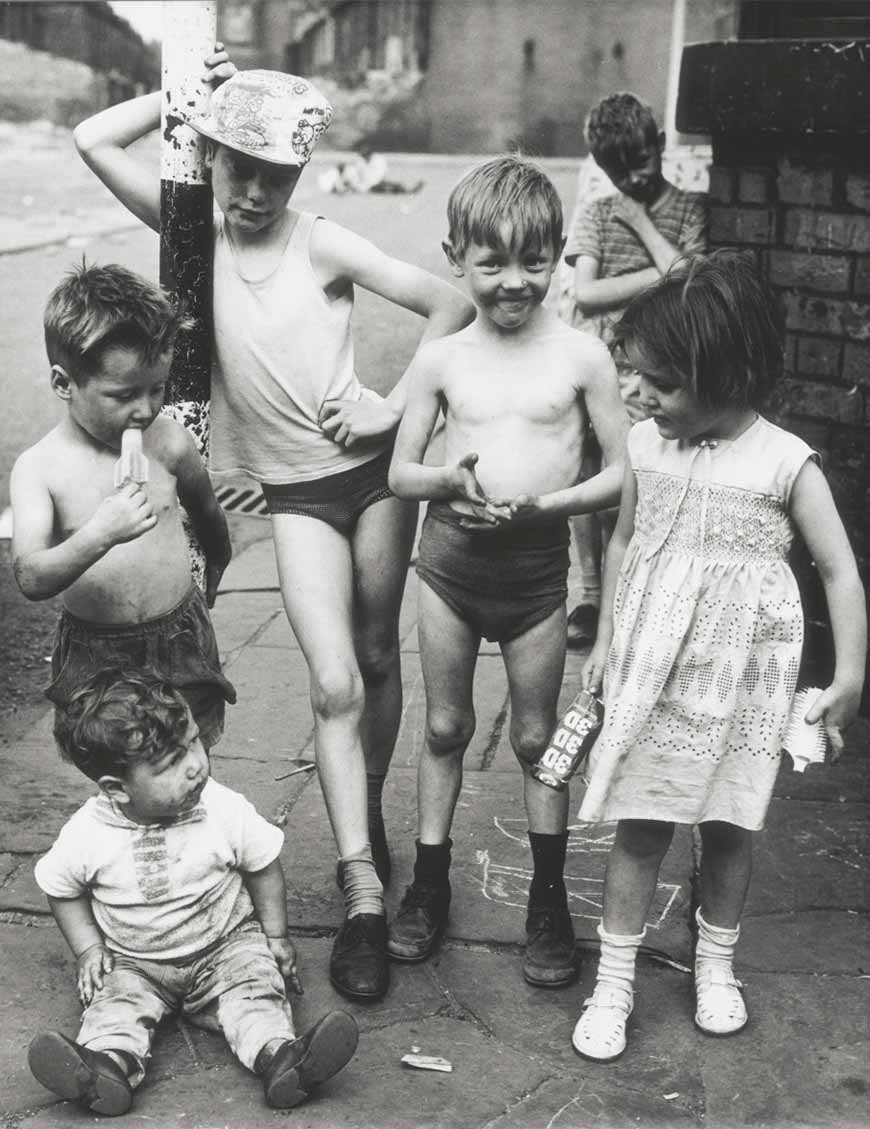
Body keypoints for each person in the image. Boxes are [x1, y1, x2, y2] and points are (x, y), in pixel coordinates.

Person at [72, 55, 474, 1003]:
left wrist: (391, 408)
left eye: (273, 174)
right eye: (235, 165)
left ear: (301, 175)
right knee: (332, 681)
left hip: (375, 481)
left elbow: (449, 303)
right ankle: (365, 894)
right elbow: (94, 140)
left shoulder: (322, 242)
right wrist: (182, 91)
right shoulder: (190, 238)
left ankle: (365, 813)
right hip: (296, 498)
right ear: (208, 157)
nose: (252, 191)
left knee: (378, 659)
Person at [571, 251, 866, 1062]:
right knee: (643, 820)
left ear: (725, 374)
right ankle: (616, 977)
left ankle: (716, 963)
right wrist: (602, 641)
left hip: (742, 680)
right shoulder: (647, 446)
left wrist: (849, 677)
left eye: (660, 384)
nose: (642, 396)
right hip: (656, 669)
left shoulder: (783, 462)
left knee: (730, 824)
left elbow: (840, 568)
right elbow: (626, 537)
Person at [387, 156, 629, 987]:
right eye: (491, 263)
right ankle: (427, 883)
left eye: (533, 261)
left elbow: (621, 474)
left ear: (560, 252)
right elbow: (400, 472)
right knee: (446, 727)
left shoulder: (583, 357)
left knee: (535, 740)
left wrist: (550, 508)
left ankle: (549, 901)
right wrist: (448, 483)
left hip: (534, 574)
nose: (514, 282)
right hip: (450, 563)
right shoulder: (443, 360)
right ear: (456, 257)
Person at [27, 668, 358, 1115]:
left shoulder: (220, 807)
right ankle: (105, 1069)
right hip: (135, 960)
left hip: (225, 946)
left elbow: (262, 865)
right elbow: (60, 888)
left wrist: (275, 937)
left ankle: (282, 1058)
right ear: (116, 789)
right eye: (169, 764)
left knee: (255, 988)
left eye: (194, 742)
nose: (195, 765)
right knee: (114, 1004)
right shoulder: (87, 834)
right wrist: (88, 949)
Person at [10, 263, 236, 749]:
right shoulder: (40, 468)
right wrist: (100, 534)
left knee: (191, 757)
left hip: (179, 632)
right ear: (63, 382)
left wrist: (219, 558)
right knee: (121, 770)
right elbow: (31, 576)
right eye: (123, 394)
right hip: (97, 649)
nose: (145, 409)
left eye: (157, 388)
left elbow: (206, 508)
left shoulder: (170, 443)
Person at [561, 92, 708, 651]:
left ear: (661, 145)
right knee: (591, 478)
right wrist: (667, 270)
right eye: (615, 170)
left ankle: (642, 592)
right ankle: (593, 593)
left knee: (648, 482)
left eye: (641, 160)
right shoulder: (597, 212)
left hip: (665, 370)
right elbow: (588, 293)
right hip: (604, 369)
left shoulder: (690, 206)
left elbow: (695, 276)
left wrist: (641, 221)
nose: (631, 177)